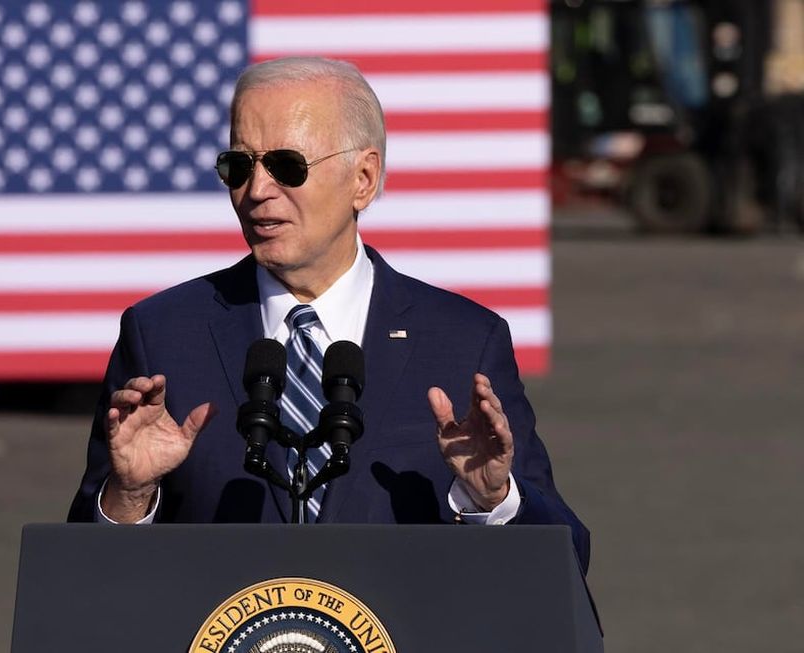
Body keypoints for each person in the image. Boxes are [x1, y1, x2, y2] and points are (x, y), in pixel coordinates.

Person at [68, 56, 589, 572]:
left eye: (287, 166)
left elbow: (566, 557)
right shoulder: (162, 334)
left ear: (363, 178)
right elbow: (83, 573)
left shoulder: (462, 340)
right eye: (239, 166)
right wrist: (130, 497)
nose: (257, 191)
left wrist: (492, 501)